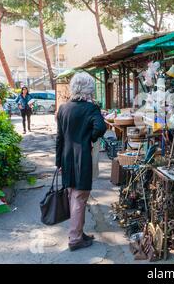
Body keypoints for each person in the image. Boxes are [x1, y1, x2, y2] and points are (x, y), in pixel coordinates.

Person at [56, 72, 107, 251]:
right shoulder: (90, 108)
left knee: (73, 195)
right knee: (79, 197)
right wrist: (89, 139)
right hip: (82, 156)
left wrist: (58, 162)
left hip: (66, 156)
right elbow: (101, 127)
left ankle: (79, 232)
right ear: (88, 89)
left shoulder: (63, 108)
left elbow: (59, 137)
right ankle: (75, 238)